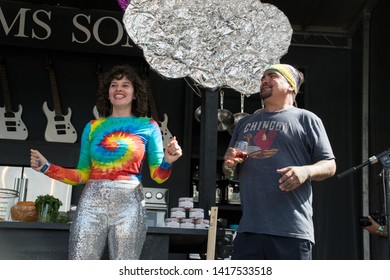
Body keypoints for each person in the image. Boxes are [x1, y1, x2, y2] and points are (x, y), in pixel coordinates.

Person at [30, 65, 182, 260]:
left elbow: (158, 177)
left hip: (129, 203)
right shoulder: (93, 127)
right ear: (107, 93)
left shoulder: (148, 126)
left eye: (125, 85)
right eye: (114, 85)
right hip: (91, 203)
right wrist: (47, 168)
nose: (119, 89)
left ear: (135, 93)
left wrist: (168, 162)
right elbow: (82, 174)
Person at [222, 64, 336, 260]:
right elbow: (231, 174)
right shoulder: (244, 123)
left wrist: (305, 172)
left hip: (291, 231)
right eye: (263, 77)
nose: (264, 80)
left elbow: (329, 165)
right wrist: (228, 166)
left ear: (290, 86)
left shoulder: (306, 119)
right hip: (249, 229)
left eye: (272, 76)